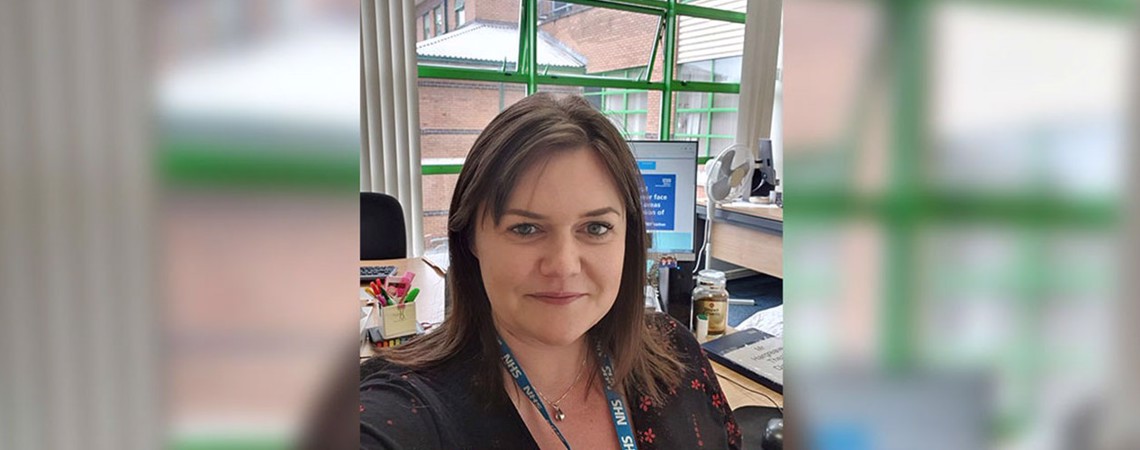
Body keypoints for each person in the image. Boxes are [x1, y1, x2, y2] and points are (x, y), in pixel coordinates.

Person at [360, 93, 741, 449]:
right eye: (526, 229)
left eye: (596, 228)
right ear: (470, 239)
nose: (563, 265)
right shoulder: (408, 408)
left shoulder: (675, 350)